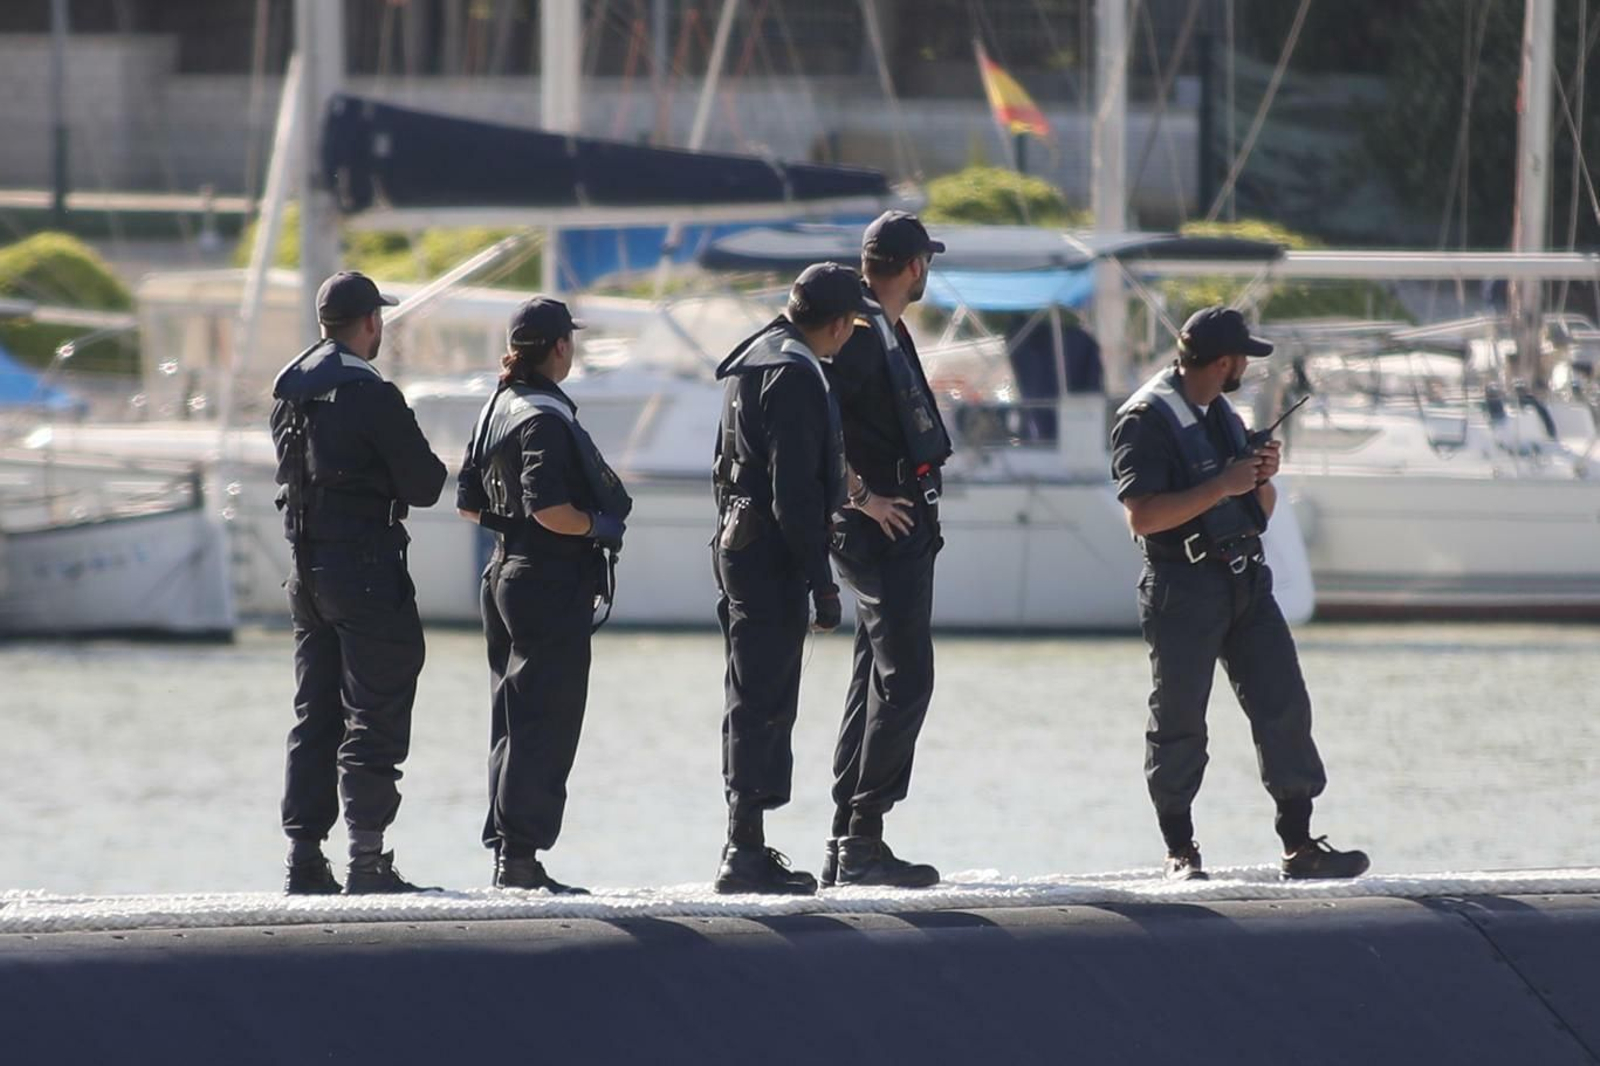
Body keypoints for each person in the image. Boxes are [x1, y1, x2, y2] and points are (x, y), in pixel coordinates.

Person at [1110, 305, 1370, 882]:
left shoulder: (1220, 412)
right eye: (1243, 360)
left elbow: (1259, 513)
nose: (1245, 371)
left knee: (1285, 706)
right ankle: (1180, 850)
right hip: (1183, 587)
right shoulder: (1144, 420)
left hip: (1245, 581)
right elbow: (1143, 517)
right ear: (1223, 361)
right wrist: (1221, 484)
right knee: (1180, 721)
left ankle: (1300, 845)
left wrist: (1260, 477)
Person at [270, 270, 448, 895]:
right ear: (371, 323)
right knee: (374, 710)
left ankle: (304, 859)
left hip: (305, 575)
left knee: (314, 713)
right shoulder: (372, 396)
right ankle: (367, 861)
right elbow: (425, 484)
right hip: (366, 574)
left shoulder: (290, 397)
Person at [457, 297, 631, 894]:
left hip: (505, 575)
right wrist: (595, 526)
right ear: (561, 347)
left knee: (512, 720)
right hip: (547, 582)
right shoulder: (545, 419)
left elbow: (469, 505)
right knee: (546, 724)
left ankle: (510, 854)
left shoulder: (497, 408)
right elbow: (550, 509)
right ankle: (522, 861)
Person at [711, 262, 863, 895]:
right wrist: (822, 583)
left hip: (738, 545)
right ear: (836, 324)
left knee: (751, 694)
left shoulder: (757, 356)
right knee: (764, 700)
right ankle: (743, 851)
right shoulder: (798, 376)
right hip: (770, 557)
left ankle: (746, 841)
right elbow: (794, 495)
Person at [819, 211, 951, 889]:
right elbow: (818, 422)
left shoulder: (880, 325)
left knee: (874, 680)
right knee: (907, 680)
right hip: (881, 528)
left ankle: (847, 839)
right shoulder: (867, 333)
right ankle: (863, 836)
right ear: (914, 267)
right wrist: (862, 496)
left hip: (898, 524)